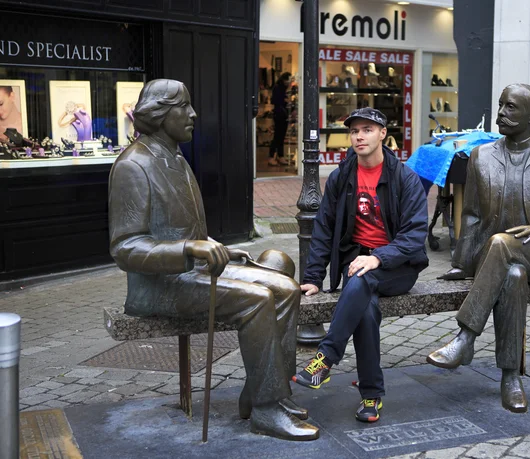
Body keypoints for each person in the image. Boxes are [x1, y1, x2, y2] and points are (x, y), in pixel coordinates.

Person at [108, 79, 319, 441]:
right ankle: (267, 409)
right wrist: (190, 250)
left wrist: (212, 244)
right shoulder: (133, 166)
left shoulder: (174, 157)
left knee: (283, 281)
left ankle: (261, 393)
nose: (193, 114)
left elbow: (179, 227)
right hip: (160, 286)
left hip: (192, 271)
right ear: (160, 114)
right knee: (258, 298)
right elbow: (126, 247)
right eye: (183, 107)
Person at [427, 84, 530, 413]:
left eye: (511, 107)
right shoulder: (481, 156)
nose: (501, 113)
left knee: (503, 243)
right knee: (513, 275)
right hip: (496, 259)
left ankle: (465, 338)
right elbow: (471, 214)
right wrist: (462, 263)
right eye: (500, 105)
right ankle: (510, 378)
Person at [293, 107, 429, 423]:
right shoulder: (342, 176)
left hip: (398, 266)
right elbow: (324, 227)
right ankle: (371, 394)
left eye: (367, 129)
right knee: (365, 305)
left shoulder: (404, 178)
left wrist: (379, 257)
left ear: (383, 133)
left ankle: (325, 359)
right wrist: (313, 276)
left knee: (361, 279)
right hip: (356, 263)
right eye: (354, 131)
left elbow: (414, 234)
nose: (359, 136)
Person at [268, 72, 291, 166]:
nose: (289, 82)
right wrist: (285, 100)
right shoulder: (278, 88)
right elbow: (275, 100)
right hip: (279, 115)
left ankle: (280, 156)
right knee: (277, 136)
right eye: (288, 79)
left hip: (283, 115)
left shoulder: (283, 88)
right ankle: (271, 156)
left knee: (281, 137)